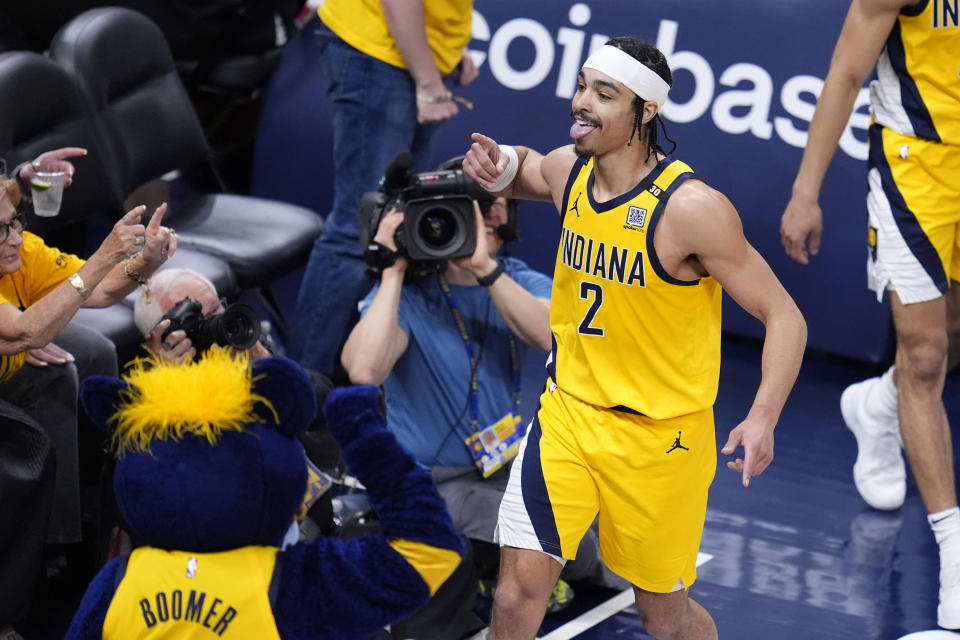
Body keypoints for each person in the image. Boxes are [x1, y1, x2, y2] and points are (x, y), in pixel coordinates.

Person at [463, 36, 807, 639]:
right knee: (517, 595)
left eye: (604, 94)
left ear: (646, 111)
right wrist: (500, 167)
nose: (581, 104)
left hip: (660, 439)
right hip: (568, 416)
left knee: (664, 620)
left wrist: (764, 417)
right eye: (580, 87)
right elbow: (526, 171)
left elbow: (785, 317)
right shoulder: (571, 169)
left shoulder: (691, 209)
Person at [778, 0, 960, 628]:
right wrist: (806, 193)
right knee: (926, 354)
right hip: (917, 163)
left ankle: (879, 404)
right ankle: (955, 555)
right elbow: (846, 76)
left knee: (950, 337)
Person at [0, 149, 175, 639]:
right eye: (3, 229)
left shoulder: (21, 250)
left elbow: (97, 292)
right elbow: (24, 333)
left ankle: (59, 550)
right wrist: (103, 255)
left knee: (79, 358)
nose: (17, 236)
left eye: (16, 222)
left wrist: (144, 260)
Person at [287, 0, 478, 380]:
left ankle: (339, 387)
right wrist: (427, 78)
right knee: (357, 231)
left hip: (405, 52)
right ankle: (296, 396)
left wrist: (443, 50)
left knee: (385, 226)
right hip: (380, 53)